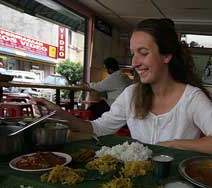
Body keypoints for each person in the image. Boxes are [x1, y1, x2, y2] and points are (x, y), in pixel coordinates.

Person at [33, 18, 212, 154]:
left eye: (143, 53)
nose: (135, 63)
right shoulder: (132, 94)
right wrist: (61, 114)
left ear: (166, 56)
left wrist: (174, 144)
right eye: (133, 53)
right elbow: (99, 128)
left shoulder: (192, 98)